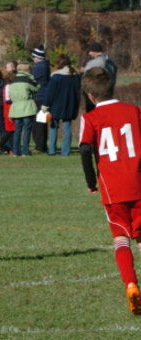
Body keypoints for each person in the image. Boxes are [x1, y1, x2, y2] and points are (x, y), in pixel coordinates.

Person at [78, 67, 141, 315]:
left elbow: (84, 149)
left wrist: (91, 182)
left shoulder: (90, 118)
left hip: (113, 188)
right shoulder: (134, 111)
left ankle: (131, 284)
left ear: (90, 95)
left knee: (121, 237)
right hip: (138, 182)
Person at [42, 55, 80, 156]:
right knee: (67, 127)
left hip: (56, 105)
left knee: (53, 127)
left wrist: (45, 105)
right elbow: (77, 93)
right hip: (70, 104)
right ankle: (65, 151)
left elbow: (50, 93)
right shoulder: (76, 76)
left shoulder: (56, 76)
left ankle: (52, 150)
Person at [8, 62, 38, 157]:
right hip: (27, 107)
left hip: (16, 108)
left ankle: (16, 151)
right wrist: (33, 79)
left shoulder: (13, 82)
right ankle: (25, 151)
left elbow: (10, 95)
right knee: (27, 130)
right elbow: (36, 88)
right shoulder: (28, 80)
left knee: (17, 131)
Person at [82, 42, 118, 113]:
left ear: (94, 51)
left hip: (95, 93)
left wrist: (83, 70)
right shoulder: (111, 62)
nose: (89, 53)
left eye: (90, 51)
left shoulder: (94, 63)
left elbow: (86, 76)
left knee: (94, 114)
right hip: (108, 92)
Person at [30, 46, 50, 153]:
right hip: (43, 97)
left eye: (34, 56)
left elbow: (32, 79)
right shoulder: (45, 66)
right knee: (42, 123)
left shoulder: (39, 67)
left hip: (39, 97)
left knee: (38, 123)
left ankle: (40, 146)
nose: (33, 58)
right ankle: (42, 145)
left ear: (38, 57)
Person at [2, 61, 17, 154]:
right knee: (11, 129)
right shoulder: (7, 85)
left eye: (8, 67)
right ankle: (9, 147)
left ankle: (11, 147)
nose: (6, 69)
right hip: (9, 107)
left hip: (11, 107)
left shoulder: (10, 84)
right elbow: (7, 99)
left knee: (13, 129)